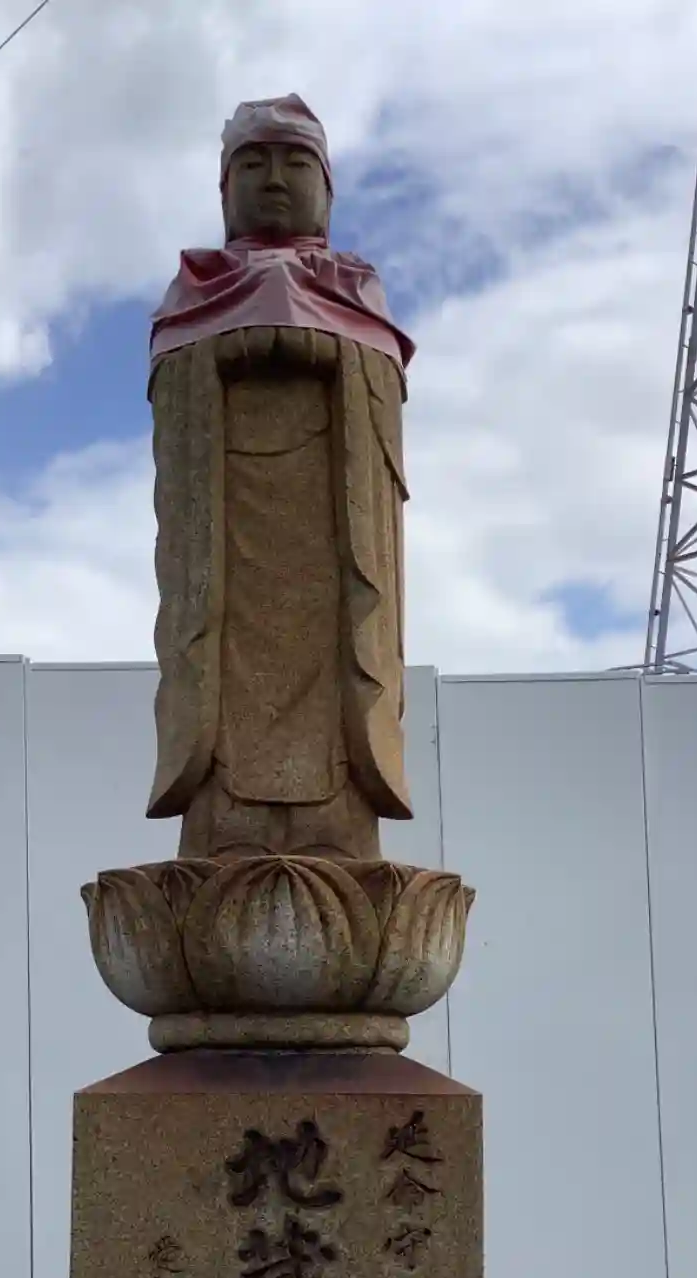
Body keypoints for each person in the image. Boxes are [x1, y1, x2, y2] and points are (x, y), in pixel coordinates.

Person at [145, 94, 415, 862]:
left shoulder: (354, 288)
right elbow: (172, 388)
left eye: (295, 164)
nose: (272, 180)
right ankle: (226, 809)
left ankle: (335, 813)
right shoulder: (196, 291)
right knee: (222, 657)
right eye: (252, 164)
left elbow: (383, 389)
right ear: (224, 190)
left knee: (338, 656)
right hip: (227, 534)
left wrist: (330, 353)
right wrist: (222, 355)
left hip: (332, 532)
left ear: (326, 190)